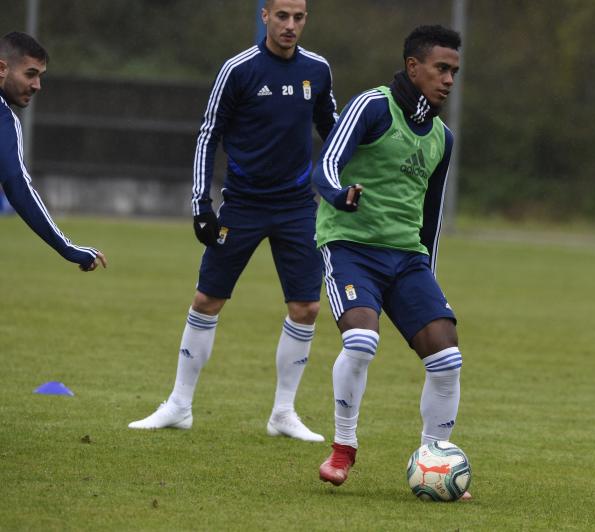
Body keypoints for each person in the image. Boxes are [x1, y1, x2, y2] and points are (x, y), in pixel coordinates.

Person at [128, 0, 337, 441]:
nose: (290, 25)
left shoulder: (317, 69)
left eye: (299, 17)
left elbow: (334, 131)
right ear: (265, 16)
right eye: (282, 16)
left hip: (299, 206)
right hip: (242, 205)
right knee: (207, 300)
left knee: (307, 307)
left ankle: (284, 412)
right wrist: (201, 203)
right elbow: (209, 133)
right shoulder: (238, 69)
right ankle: (179, 405)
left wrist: (342, 184)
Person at [311, 24, 469, 499]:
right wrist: (341, 196)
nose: (448, 79)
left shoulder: (442, 137)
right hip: (351, 247)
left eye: (455, 72)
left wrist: (428, 280)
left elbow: (431, 217)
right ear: (413, 67)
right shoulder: (373, 106)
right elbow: (323, 166)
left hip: (407, 261)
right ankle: (343, 447)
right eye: (441, 68)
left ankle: (434, 458)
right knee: (360, 340)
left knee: (446, 357)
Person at [0, 31, 106, 272]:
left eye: (40, 76)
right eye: (30, 74)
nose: (37, 85)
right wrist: (68, 248)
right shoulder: (3, 119)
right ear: (2, 68)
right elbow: (19, 188)